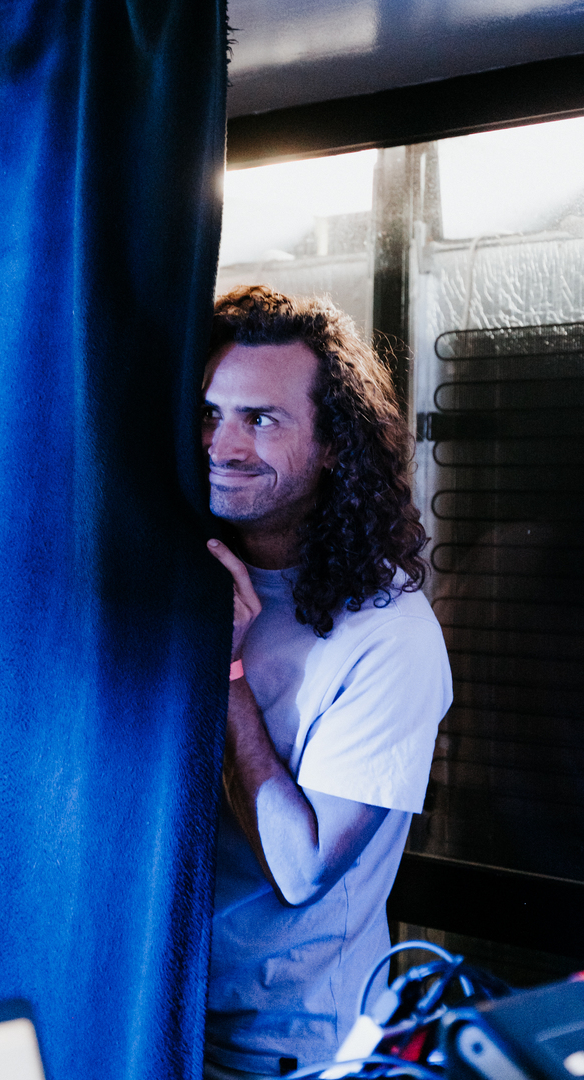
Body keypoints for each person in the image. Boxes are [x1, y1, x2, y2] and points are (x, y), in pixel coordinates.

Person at [201, 285, 452, 1080]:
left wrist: (225, 672)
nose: (221, 444)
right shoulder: (182, 573)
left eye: (259, 419)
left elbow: (301, 868)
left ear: (335, 446)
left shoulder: (388, 636)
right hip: (154, 1014)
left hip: (286, 1051)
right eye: (208, 413)